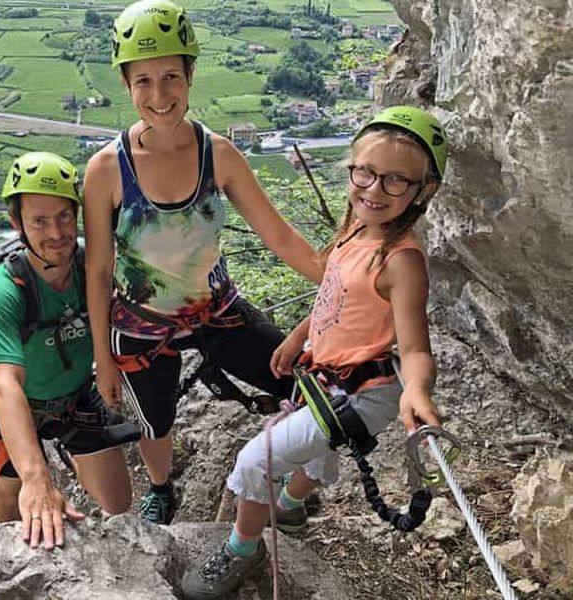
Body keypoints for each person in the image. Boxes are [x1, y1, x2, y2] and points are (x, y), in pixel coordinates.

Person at [180, 105, 449, 600]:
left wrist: (417, 390)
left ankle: (244, 549)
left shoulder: (401, 261)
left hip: (364, 391)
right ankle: (289, 508)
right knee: (314, 446)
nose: (373, 189)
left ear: (423, 190)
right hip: (331, 378)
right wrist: (299, 335)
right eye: (364, 173)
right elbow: (336, 294)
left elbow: (414, 346)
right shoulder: (356, 230)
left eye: (395, 181)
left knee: (256, 458)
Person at [83, 0, 323, 526]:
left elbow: (280, 236)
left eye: (171, 76)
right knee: (156, 422)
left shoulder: (220, 155)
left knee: (305, 386)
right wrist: (103, 358)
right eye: (143, 80)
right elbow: (98, 270)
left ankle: (289, 486)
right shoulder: (106, 171)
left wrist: (341, 279)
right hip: (142, 324)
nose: (159, 94)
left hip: (218, 309)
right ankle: (161, 487)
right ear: (126, 85)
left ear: (191, 74)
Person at [0, 151, 132, 550]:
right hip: (23, 405)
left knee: (119, 502)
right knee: (10, 500)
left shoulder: (92, 269)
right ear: (17, 224)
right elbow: (5, 385)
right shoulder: (4, 291)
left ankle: (72, 460)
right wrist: (35, 478)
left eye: (64, 217)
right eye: (39, 221)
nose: (56, 233)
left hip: (77, 395)